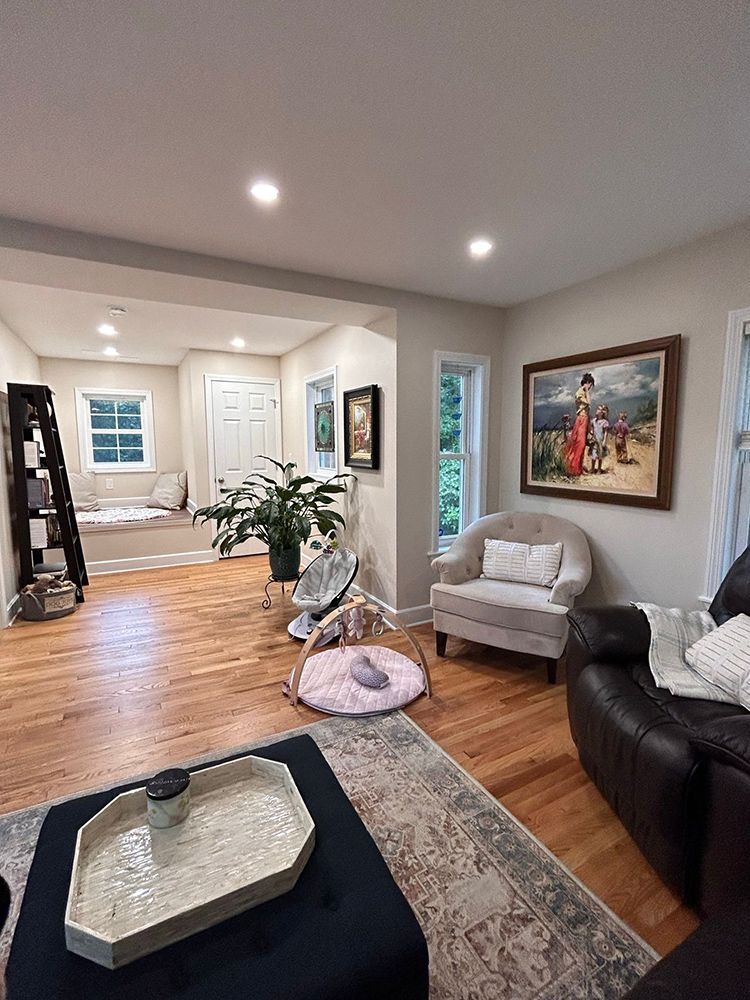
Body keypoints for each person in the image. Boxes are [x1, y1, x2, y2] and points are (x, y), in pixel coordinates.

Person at [564, 373, 594, 475]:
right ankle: (575, 468)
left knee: (581, 444)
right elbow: (589, 402)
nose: (590, 388)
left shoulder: (582, 392)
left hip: (584, 419)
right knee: (580, 444)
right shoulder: (580, 393)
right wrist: (586, 391)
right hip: (581, 419)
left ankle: (578, 468)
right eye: (590, 385)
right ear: (587, 383)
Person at [589, 404, 610, 474]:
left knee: (600, 456)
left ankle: (599, 469)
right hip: (595, 441)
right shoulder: (594, 420)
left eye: (599, 409)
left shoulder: (605, 422)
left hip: (600, 441)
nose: (597, 410)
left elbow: (606, 432)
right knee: (593, 455)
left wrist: (604, 441)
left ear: (602, 412)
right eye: (597, 409)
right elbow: (592, 428)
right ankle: (592, 468)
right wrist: (591, 432)